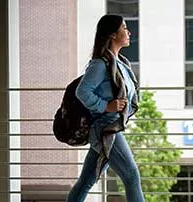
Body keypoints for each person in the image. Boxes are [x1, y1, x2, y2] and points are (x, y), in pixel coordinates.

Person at [67, 14, 144, 202]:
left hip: (111, 127)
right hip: (106, 128)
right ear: (112, 35)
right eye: (124, 28)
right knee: (131, 176)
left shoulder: (121, 64)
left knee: (86, 181)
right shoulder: (100, 64)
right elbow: (83, 92)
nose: (129, 32)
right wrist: (106, 106)